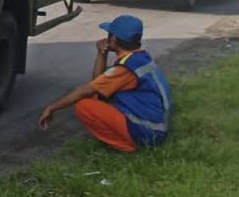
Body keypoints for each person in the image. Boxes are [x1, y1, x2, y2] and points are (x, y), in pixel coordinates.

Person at [38, 14, 172, 152]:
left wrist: (52, 108)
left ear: (113, 39)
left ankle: (128, 147)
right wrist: (102, 54)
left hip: (149, 133)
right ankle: (131, 139)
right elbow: (98, 84)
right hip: (156, 127)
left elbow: (86, 90)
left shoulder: (125, 69)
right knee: (98, 96)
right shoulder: (139, 58)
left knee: (83, 105)